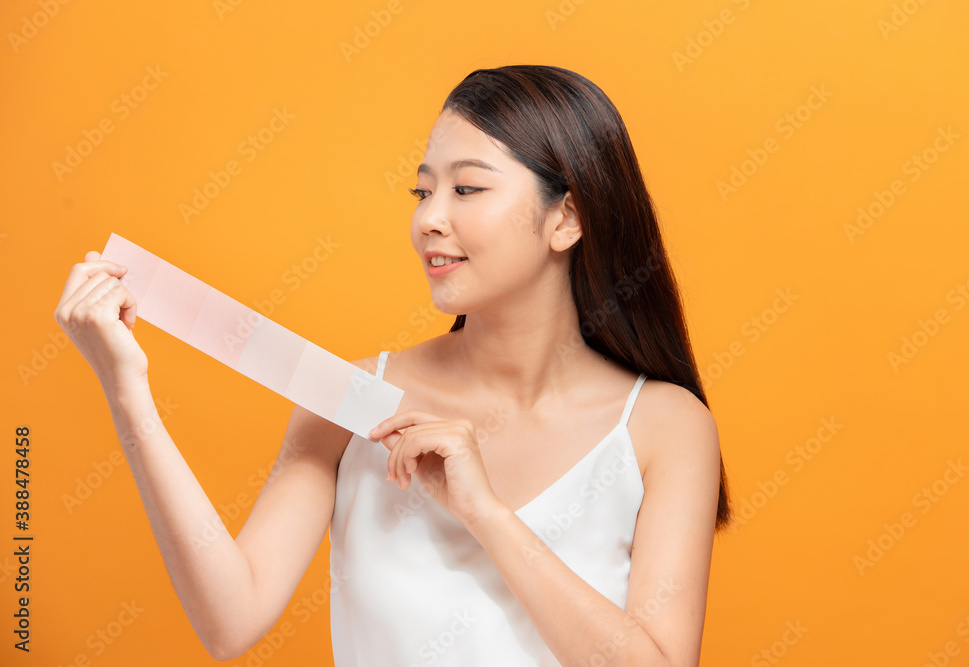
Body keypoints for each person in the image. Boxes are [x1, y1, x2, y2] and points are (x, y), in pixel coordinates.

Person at [55, 64, 732, 666]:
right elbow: (230, 620)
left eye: (467, 190)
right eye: (422, 192)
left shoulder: (664, 426)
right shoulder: (347, 395)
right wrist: (126, 389)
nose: (430, 219)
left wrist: (486, 513)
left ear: (567, 219)